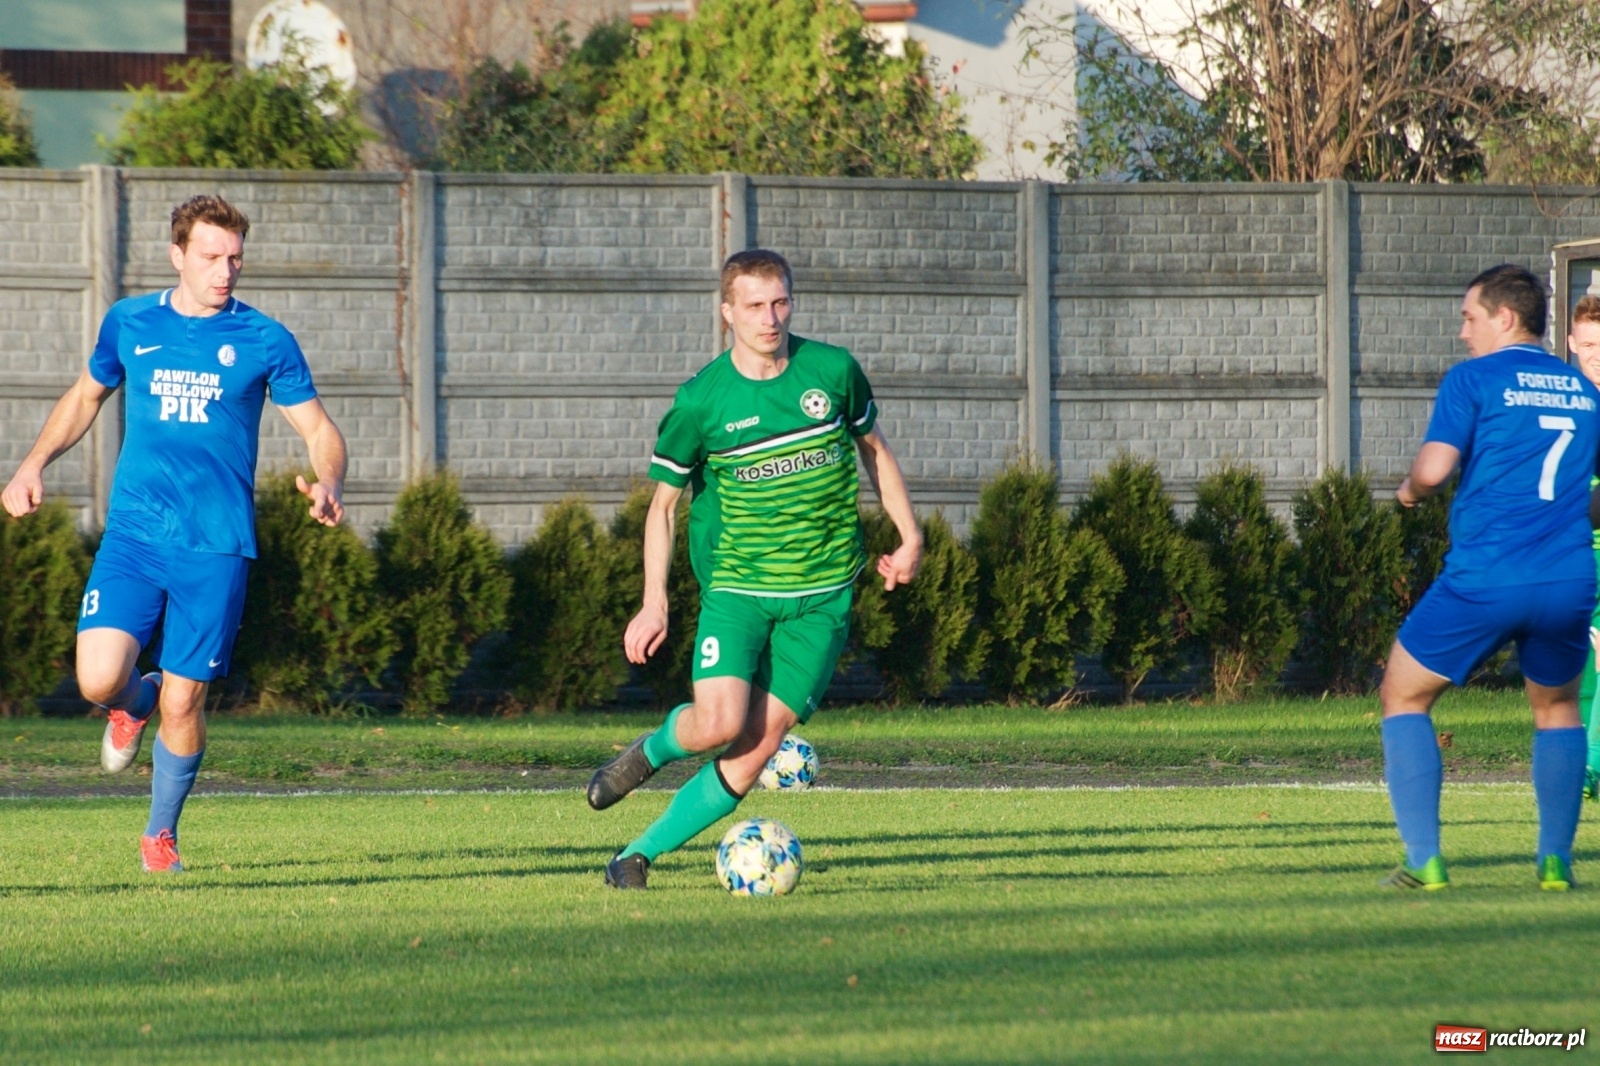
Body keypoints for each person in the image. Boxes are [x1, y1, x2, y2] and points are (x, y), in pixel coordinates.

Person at [0, 195, 347, 873]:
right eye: (212, 257)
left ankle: (160, 837)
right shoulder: (130, 323)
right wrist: (33, 464)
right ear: (178, 255)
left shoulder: (265, 340)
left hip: (215, 547)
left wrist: (330, 482)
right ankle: (133, 704)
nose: (226, 272)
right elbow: (84, 398)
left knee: (187, 699)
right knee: (99, 679)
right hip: (133, 536)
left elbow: (318, 430)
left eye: (236, 258)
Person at [587, 248, 922, 889]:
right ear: (727, 313)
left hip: (823, 599)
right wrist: (654, 601)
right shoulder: (701, 402)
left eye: (780, 303)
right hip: (739, 589)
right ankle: (652, 751)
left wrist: (910, 538)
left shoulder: (833, 372)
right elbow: (661, 508)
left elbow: (875, 451)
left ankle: (635, 857)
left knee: (757, 748)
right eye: (754, 306)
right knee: (718, 723)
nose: (770, 319)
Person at [1382, 263, 1599, 892]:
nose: (1462, 332)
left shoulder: (1474, 378)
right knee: (1557, 709)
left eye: (1468, 317)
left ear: (1505, 317)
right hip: (1567, 577)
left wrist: (1409, 492)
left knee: (1403, 693)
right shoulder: (1582, 390)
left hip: (1488, 573)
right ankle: (1556, 861)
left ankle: (1424, 859)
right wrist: (1559, 513)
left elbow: (1433, 468)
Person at [1568, 295, 1600, 802]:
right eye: (1590, 343)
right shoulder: (1565, 401)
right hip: (1568, 557)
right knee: (1582, 666)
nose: (1596, 353)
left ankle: (1592, 766)